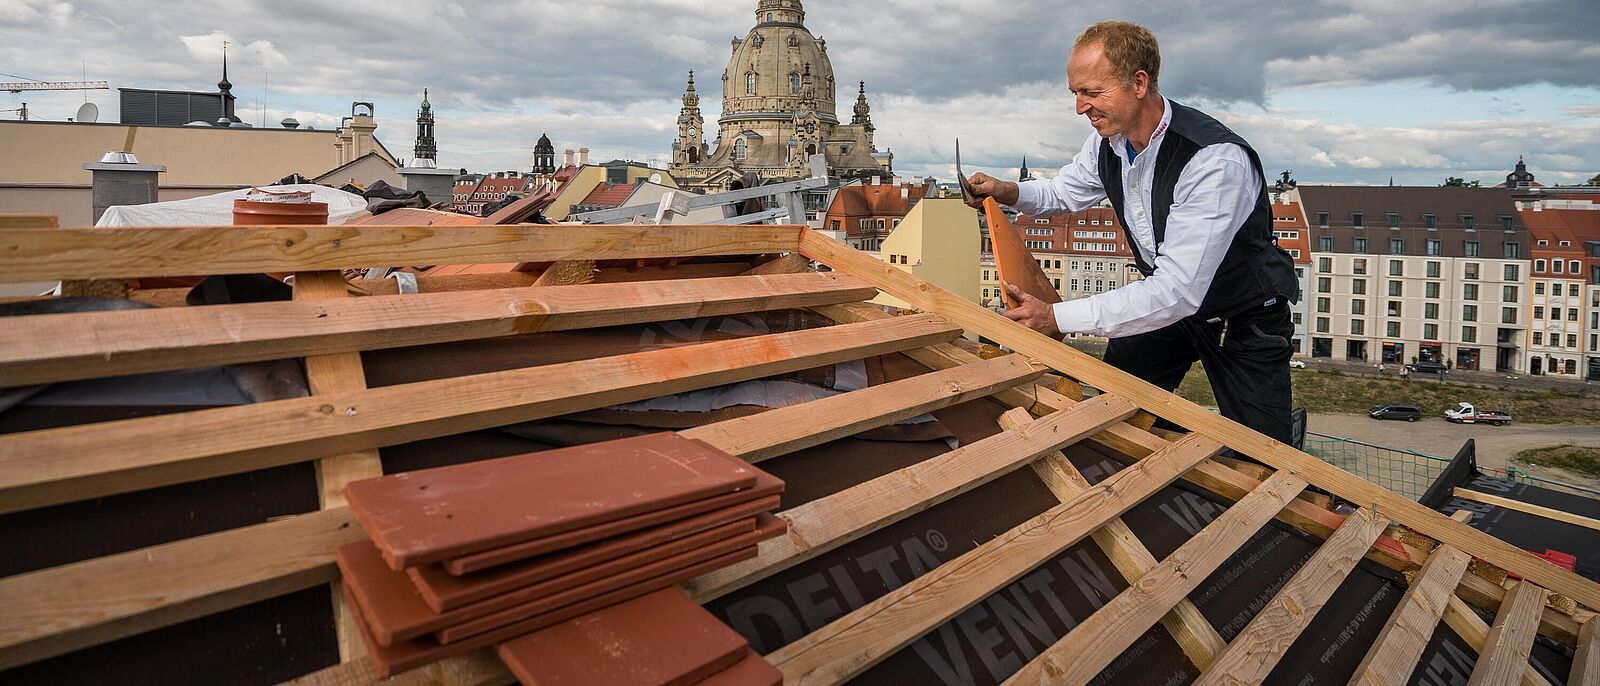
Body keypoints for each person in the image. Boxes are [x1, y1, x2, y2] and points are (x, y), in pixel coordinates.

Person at [964, 20, 1299, 444]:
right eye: (1075, 93)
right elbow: (1064, 191)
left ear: (1139, 83)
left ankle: (1264, 446)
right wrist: (1005, 191)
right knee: (1114, 404)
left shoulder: (1213, 161)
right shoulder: (1110, 141)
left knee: (1264, 454)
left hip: (1243, 311)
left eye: (1091, 92)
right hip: (1172, 306)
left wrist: (1056, 318)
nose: (1080, 108)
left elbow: (1178, 291)